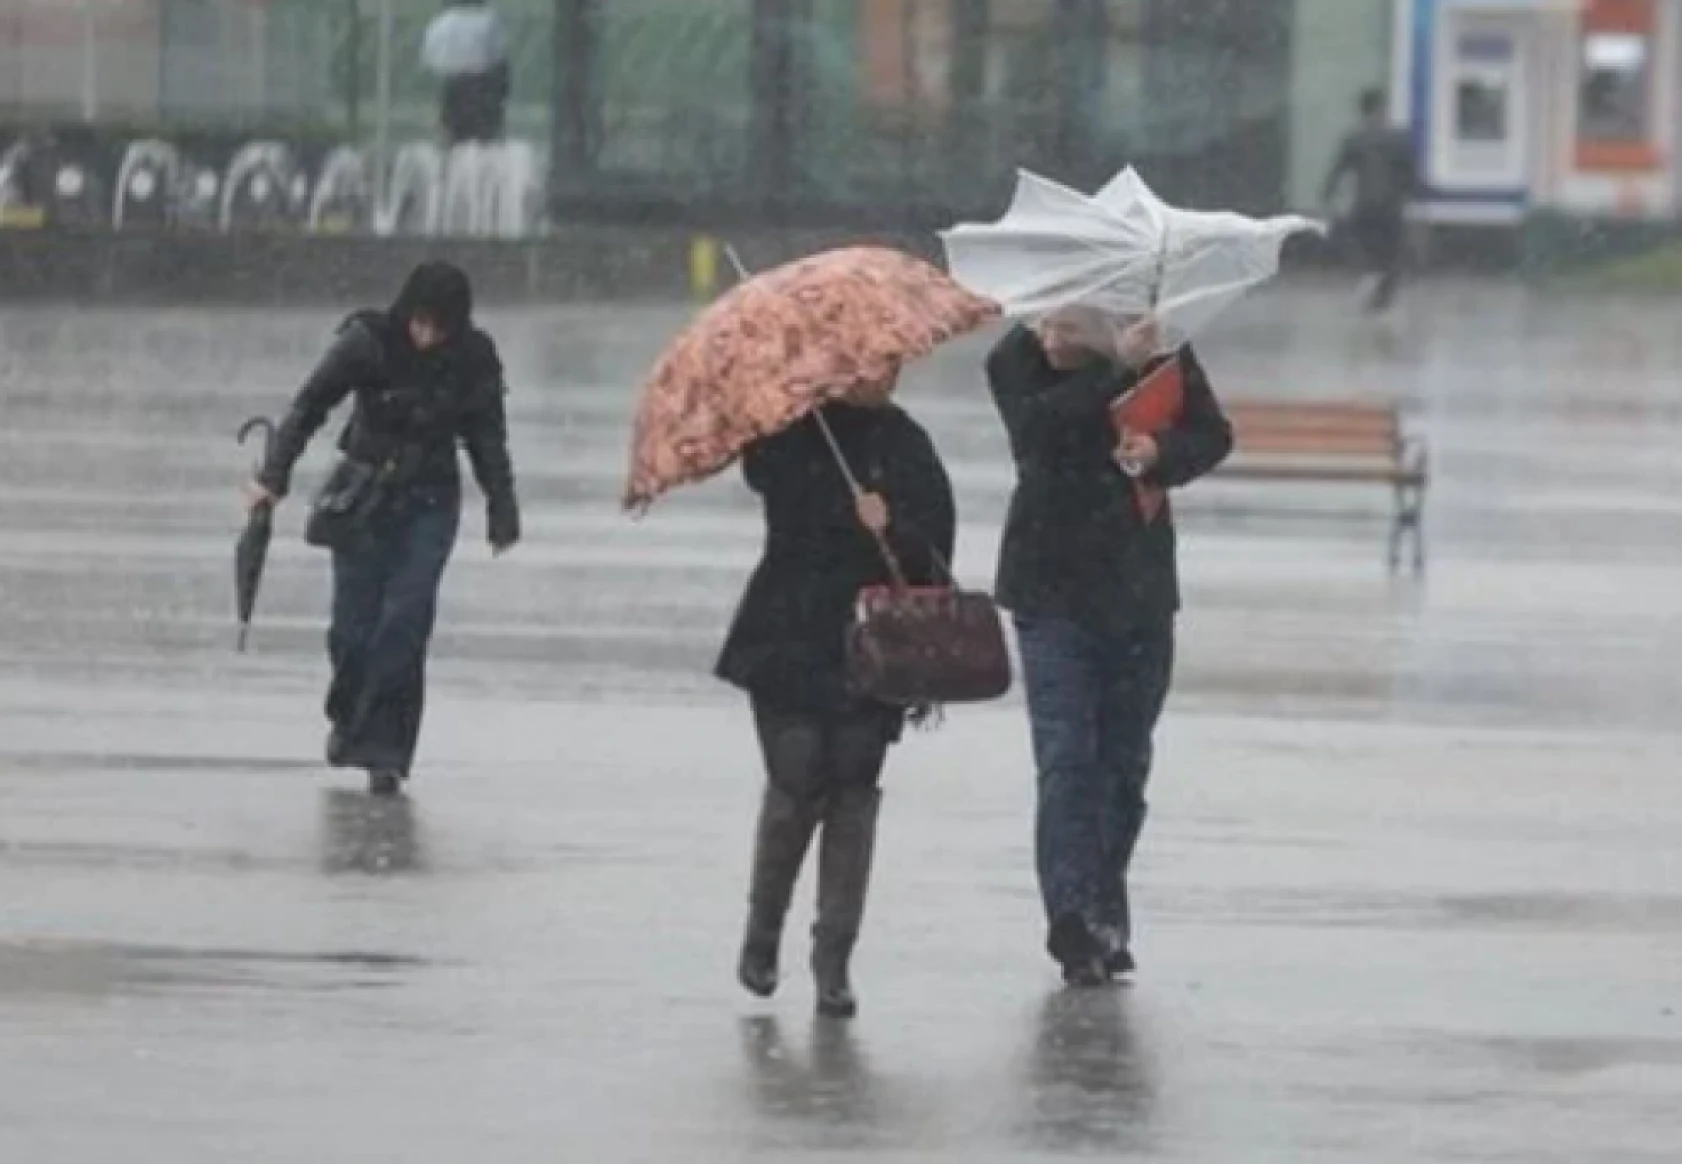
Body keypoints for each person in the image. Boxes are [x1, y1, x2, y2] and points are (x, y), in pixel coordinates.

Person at [987, 308, 1231, 986]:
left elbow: (1212, 434)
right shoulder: (1015, 360)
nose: (1051, 336)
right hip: (1050, 591)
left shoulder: (1161, 349)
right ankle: (1070, 916)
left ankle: (1103, 911)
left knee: (1124, 764)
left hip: (1139, 592)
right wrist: (1114, 371)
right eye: (1045, 325)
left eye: (1066, 327)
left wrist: (1162, 455)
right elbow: (1039, 430)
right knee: (1068, 758)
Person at [717, 386, 955, 1019]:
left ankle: (834, 959)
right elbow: (768, 480)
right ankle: (763, 934)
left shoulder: (906, 442)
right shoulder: (794, 429)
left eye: (893, 363)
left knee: (853, 787)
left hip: (873, 642)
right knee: (796, 778)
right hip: (787, 631)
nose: (883, 373)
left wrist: (893, 527)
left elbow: (935, 551)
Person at [243, 261, 521, 797]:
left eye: (439, 328)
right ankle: (349, 720)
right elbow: (310, 406)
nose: (426, 337)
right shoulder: (367, 341)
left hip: (431, 503)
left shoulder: (474, 360)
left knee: (406, 622)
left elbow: (488, 438)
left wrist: (502, 507)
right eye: (420, 323)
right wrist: (274, 475)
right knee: (352, 630)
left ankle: (386, 754)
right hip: (362, 500)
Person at [1322, 88, 1417, 315]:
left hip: (1364, 204)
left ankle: (1369, 276)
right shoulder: (1397, 137)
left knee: (1363, 245)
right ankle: (1383, 297)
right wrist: (1411, 195)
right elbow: (1410, 172)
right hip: (1391, 205)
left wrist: (1327, 195)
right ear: (1381, 109)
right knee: (1393, 253)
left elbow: (1338, 170)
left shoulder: (1354, 138)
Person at [422, 1, 513, 146]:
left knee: (453, 138)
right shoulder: (489, 20)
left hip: (452, 87)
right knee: (484, 139)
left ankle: (448, 133)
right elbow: (500, 58)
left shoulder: (441, 23)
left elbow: (432, 62)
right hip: (481, 88)